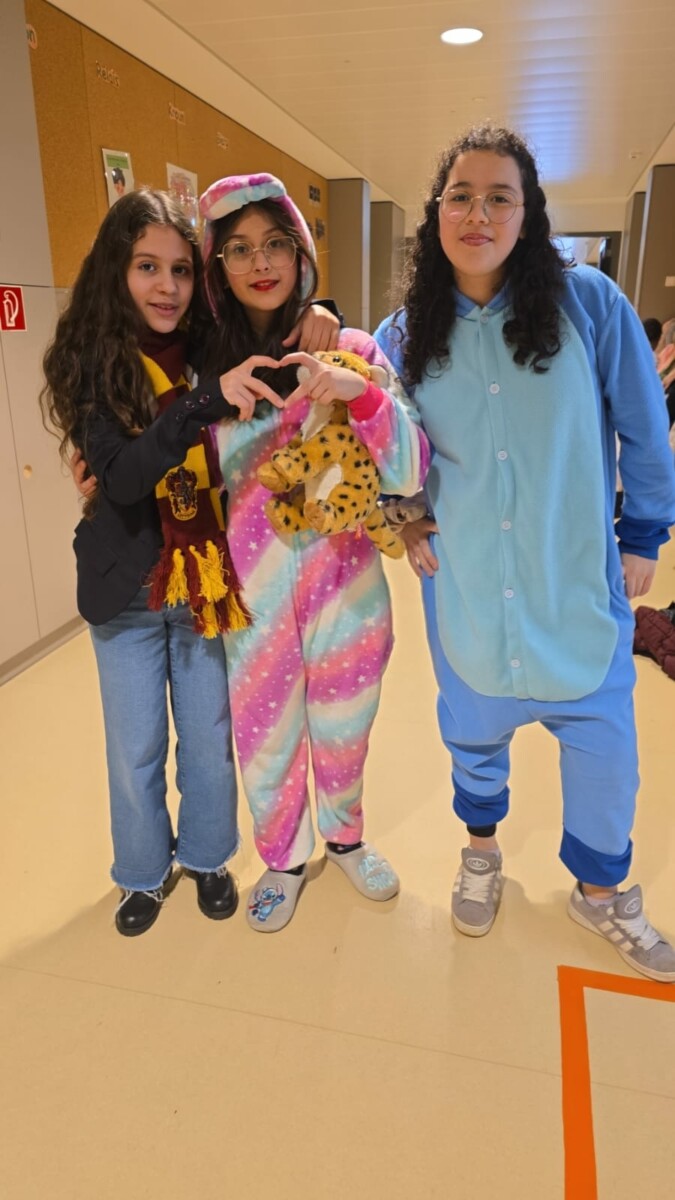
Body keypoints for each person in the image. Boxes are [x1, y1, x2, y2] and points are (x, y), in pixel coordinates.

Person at [374, 125, 675, 982]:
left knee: (604, 745)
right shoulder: (403, 335)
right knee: (472, 731)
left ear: (527, 213)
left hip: (570, 571)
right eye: (460, 196)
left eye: (498, 197)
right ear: (436, 213)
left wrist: (643, 533)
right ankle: (481, 853)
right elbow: (376, 446)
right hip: (468, 580)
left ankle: (600, 893)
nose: (477, 213)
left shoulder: (589, 306)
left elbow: (642, 424)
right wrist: (400, 517)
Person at [41, 188, 339, 937]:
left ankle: (207, 857)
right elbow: (123, 477)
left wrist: (322, 310)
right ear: (116, 271)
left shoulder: (214, 344)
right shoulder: (92, 363)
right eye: (147, 266)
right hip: (127, 593)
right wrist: (202, 403)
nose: (167, 286)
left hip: (209, 582)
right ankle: (142, 874)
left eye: (179, 269)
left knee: (208, 741)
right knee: (135, 747)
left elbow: (279, 337)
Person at [197, 173, 430, 932]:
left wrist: (356, 392)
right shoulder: (213, 371)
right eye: (239, 249)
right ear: (219, 266)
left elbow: (408, 469)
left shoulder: (355, 349)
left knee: (345, 723)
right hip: (253, 592)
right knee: (266, 735)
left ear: (301, 253)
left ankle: (346, 837)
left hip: (347, 585)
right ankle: (284, 858)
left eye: (275, 243)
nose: (260, 262)